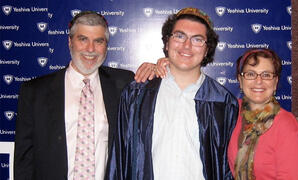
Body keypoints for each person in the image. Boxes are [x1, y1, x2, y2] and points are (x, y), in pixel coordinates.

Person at [106, 7, 238, 180]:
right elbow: (120, 158)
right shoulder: (137, 94)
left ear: (207, 50)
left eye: (197, 39)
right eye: (179, 36)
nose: (187, 46)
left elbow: (227, 168)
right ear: (167, 43)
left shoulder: (223, 102)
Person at [14, 11, 135, 180]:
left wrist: (161, 66)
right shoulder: (35, 91)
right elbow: (24, 159)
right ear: (70, 41)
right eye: (83, 39)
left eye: (98, 41)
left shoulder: (124, 83)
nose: (91, 49)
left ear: (106, 45)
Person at [227, 48, 298, 179]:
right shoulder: (232, 113)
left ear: (275, 82)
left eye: (266, 75)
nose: (259, 81)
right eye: (251, 74)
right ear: (240, 81)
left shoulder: (286, 125)